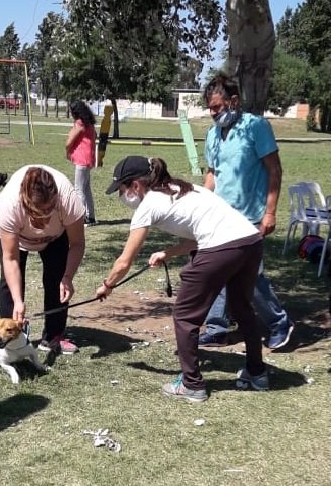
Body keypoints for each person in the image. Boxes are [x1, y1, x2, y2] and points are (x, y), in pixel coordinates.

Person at [95, 156, 266, 402]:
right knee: (242, 309)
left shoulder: (149, 205)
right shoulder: (185, 188)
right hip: (250, 242)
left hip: (221, 247)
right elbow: (203, 232)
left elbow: (124, 261)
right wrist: (167, 253)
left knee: (185, 316)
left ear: (135, 185)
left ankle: (192, 385)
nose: (122, 196)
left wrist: (107, 285)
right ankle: (257, 373)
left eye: (121, 189)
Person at [199, 74, 294, 349]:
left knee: (251, 277)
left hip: (250, 216)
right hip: (220, 216)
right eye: (210, 108)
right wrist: (202, 205)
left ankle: (279, 323)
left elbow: (274, 169)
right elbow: (212, 173)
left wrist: (270, 212)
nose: (213, 113)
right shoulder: (213, 134)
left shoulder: (256, 127)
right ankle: (217, 326)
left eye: (217, 107)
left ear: (234, 101)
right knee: (216, 270)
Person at [0, 165, 86, 354]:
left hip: (56, 238)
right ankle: (10, 341)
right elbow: (11, 259)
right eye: (36, 215)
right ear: (25, 203)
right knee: (10, 285)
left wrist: (67, 277)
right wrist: (18, 300)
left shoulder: (68, 200)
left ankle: (54, 336)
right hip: (16, 239)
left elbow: (77, 244)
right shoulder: (9, 205)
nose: (43, 222)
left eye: (48, 212)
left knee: (57, 280)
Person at [65, 100, 97, 226]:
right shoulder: (90, 123)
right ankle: (91, 217)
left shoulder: (80, 123)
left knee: (79, 189)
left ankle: (81, 218)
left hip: (81, 160)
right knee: (86, 189)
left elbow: (69, 142)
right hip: (89, 159)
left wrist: (68, 151)